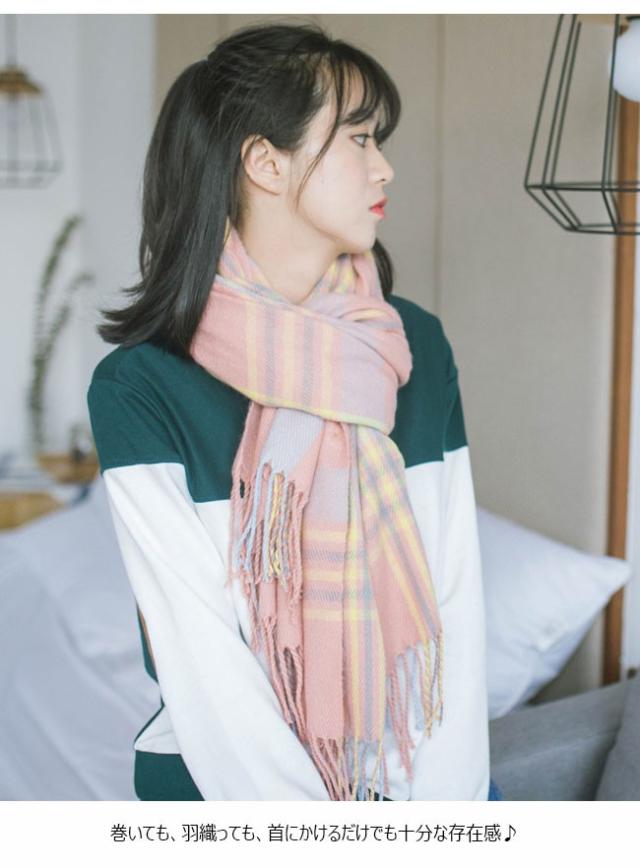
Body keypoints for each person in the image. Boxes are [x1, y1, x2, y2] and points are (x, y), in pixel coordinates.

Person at [87, 20, 501, 801]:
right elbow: (204, 661)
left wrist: (444, 818)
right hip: (225, 797)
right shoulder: (140, 387)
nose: (384, 167)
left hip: (414, 786)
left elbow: (455, 597)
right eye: (360, 139)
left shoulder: (415, 345)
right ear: (265, 162)